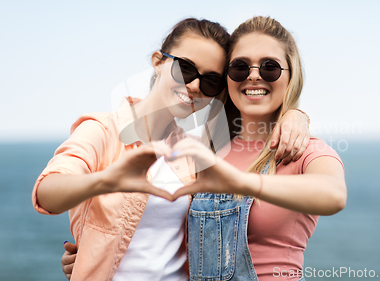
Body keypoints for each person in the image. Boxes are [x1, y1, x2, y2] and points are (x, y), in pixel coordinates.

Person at [32, 18, 311, 281]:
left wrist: (294, 115)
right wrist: (106, 181)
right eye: (185, 69)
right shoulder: (103, 131)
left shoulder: (194, 152)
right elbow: (47, 194)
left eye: (210, 80)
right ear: (158, 62)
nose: (193, 86)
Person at [165, 16, 347, 280]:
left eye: (269, 67)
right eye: (240, 67)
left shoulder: (302, 151)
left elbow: (334, 195)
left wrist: (241, 181)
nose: (253, 75)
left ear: (290, 76)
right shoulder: (204, 152)